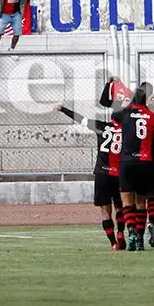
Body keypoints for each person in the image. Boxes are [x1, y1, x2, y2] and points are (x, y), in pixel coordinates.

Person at [55, 102, 126, 250]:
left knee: (105, 210)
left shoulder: (100, 126)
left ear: (111, 116)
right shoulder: (126, 130)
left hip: (102, 174)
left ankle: (113, 243)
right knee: (120, 207)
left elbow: (81, 119)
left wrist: (63, 109)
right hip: (118, 174)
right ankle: (120, 233)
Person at [110, 84, 154, 251]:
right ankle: (139, 238)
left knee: (127, 201)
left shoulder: (124, 113)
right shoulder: (153, 115)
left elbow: (114, 113)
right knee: (141, 202)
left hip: (127, 162)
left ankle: (131, 231)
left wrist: (123, 98)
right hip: (146, 162)